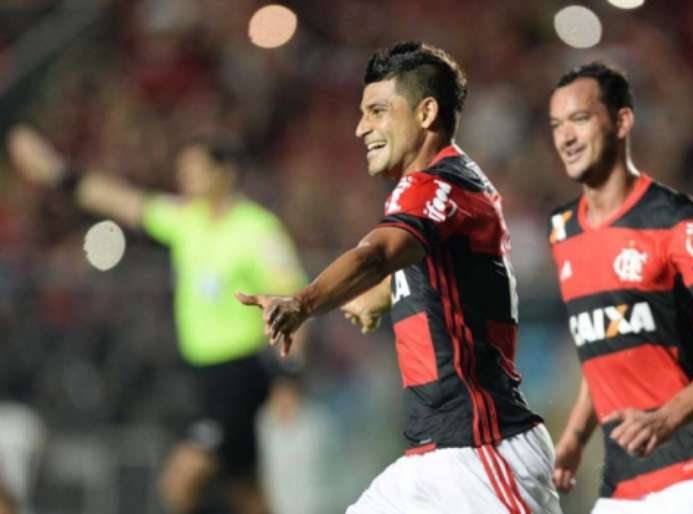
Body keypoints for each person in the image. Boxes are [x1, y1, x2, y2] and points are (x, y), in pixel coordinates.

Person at [236, 41, 562, 514]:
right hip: (432, 456)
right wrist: (384, 294)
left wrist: (304, 302)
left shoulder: (438, 185)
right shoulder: (443, 190)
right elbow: (444, 271)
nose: (361, 127)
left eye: (377, 111)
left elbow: (377, 253)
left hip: (481, 451)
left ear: (426, 112)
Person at [7, 127, 307, 514]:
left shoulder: (257, 229)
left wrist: (289, 375)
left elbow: (295, 301)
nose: (184, 177)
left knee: (179, 481)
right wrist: (58, 172)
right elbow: (123, 202)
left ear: (225, 172)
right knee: (245, 490)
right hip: (201, 374)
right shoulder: (185, 219)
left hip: (238, 373)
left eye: (195, 168)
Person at [546, 61, 693, 513]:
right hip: (627, 475)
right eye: (557, 125)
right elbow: (605, 346)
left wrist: (666, 418)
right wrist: (573, 438)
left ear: (622, 121)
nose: (566, 137)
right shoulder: (563, 232)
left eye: (581, 119)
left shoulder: (672, 218)